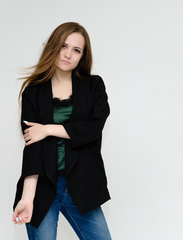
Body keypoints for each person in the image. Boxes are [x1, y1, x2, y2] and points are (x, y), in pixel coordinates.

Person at [12, 22, 112, 240]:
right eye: (63, 46)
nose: (68, 54)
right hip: (44, 186)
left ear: (83, 56)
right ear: (53, 47)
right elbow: (33, 146)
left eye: (76, 50)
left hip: (82, 183)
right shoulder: (34, 92)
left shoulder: (94, 86)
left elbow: (93, 128)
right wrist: (27, 198)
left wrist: (47, 129)